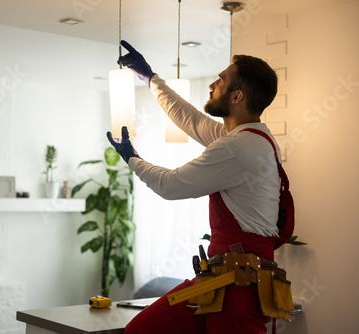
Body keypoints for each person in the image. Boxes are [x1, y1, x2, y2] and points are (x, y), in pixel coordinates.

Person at [107, 41, 292, 333]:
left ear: (237, 96)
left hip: (240, 286)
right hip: (219, 279)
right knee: (142, 328)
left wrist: (132, 159)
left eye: (221, 80)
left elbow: (171, 185)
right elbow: (191, 119)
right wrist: (151, 79)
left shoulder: (240, 147)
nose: (212, 85)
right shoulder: (249, 138)